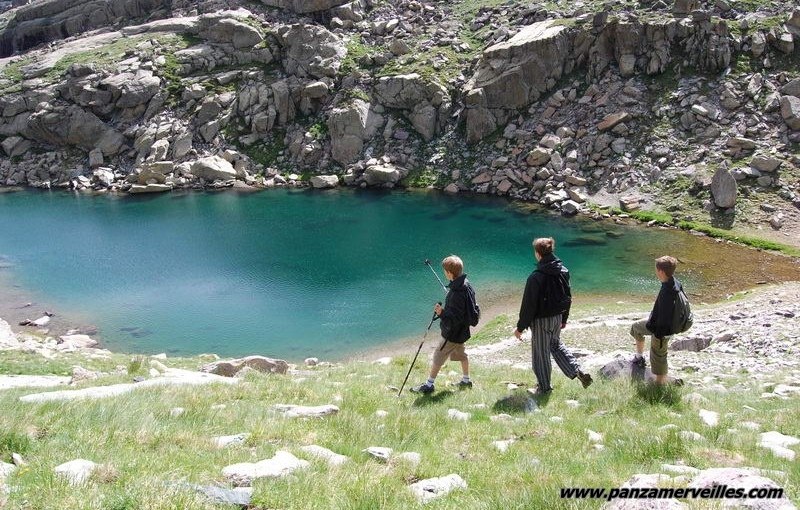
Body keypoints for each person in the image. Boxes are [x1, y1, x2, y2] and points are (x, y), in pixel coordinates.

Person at [514, 237, 592, 394]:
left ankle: (544, 388)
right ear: (551, 251)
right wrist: (564, 319)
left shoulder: (535, 277)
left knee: (540, 355)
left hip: (541, 322)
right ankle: (578, 371)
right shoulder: (563, 271)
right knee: (556, 346)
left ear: (537, 253)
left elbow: (528, 306)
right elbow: (568, 296)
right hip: (557, 317)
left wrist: (520, 328)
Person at [411, 255, 478, 394]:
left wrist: (441, 312)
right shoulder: (466, 284)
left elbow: (454, 317)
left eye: (445, 271)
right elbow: (463, 308)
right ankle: (466, 381)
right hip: (463, 332)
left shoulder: (456, 293)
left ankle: (429, 385)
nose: (444, 273)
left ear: (449, 273)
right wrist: (452, 294)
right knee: (462, 354)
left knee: (438, 356)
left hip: (452, 334)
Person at [630, 255, 683, 386]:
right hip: (654, 323)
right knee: (636, 327)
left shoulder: (668, 292)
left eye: (656, 269)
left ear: (660, 271)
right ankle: (639, 357)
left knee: (658, 356)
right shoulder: (674, 282)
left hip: (662, 330)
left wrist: (658, 336)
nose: (655, 271)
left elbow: (665, 319)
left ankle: (659, 385)